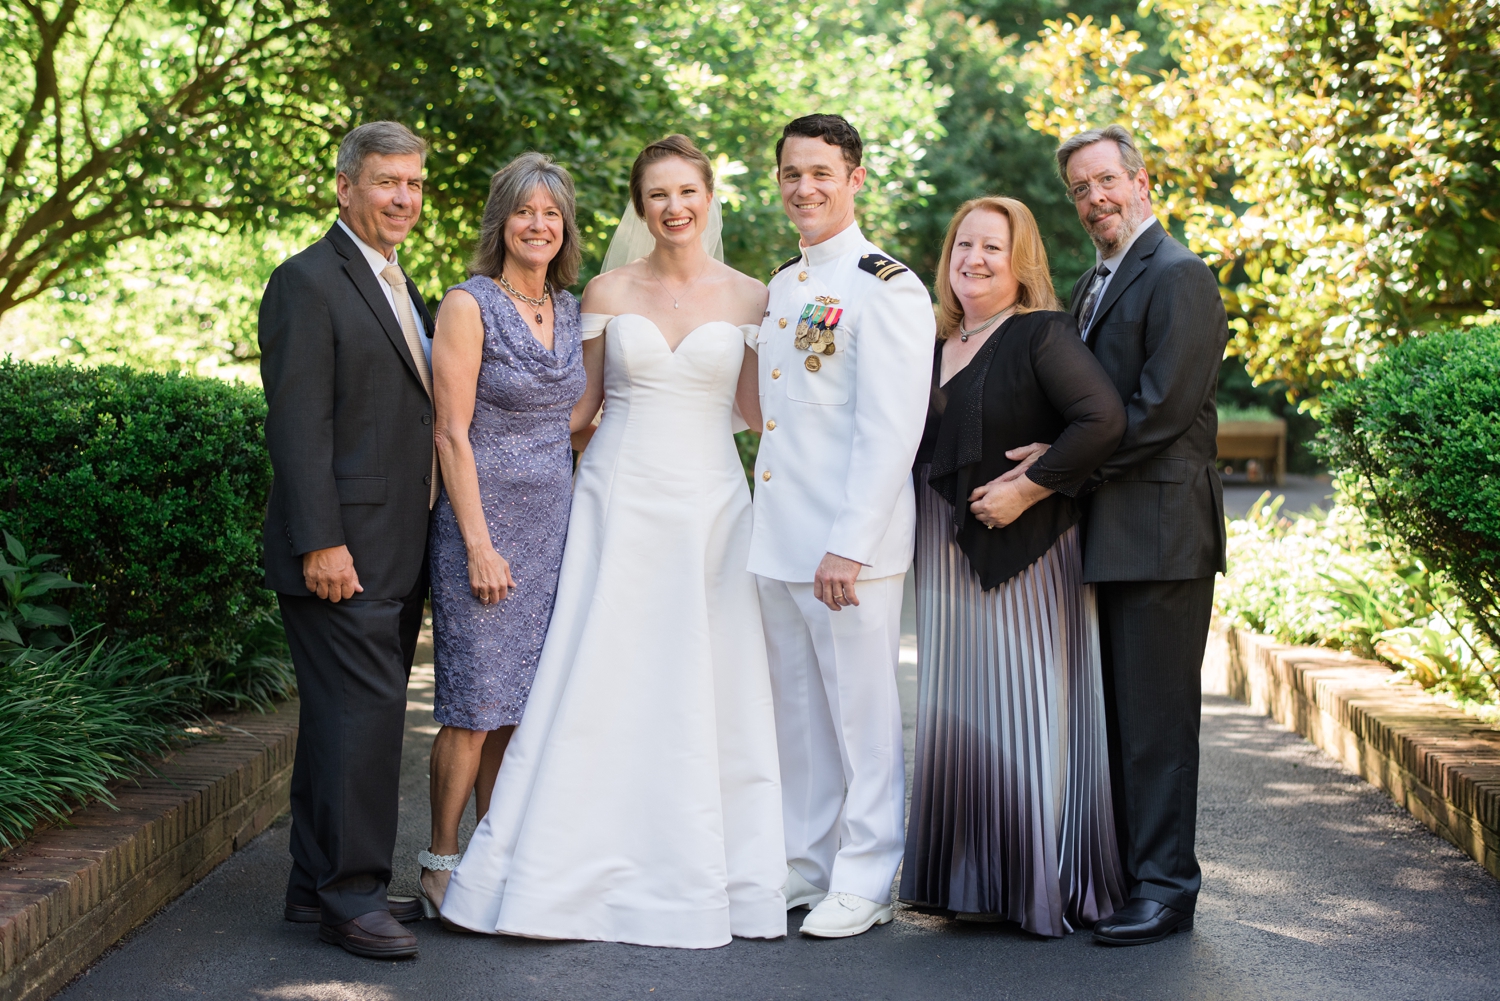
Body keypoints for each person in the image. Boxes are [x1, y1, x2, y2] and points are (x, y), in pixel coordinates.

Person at [439, 134, 786, 949]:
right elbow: (574, 406)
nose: (673, 207)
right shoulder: (602, 288)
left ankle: (697, 862)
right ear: (639, 206)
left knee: (701, 680)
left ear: (709, 197)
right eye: (656, 194)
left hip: (708, 504)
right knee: (595, 671)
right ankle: (558, 855)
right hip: (613, 500)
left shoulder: (752, 297)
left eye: (686, 192)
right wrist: (490, 468)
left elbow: (764, 415)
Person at [1011, 124, 1228, 946]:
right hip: (1111, 529)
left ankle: (1168, 889)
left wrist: (1057, 468)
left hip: (1163, 529)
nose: (1094, 198)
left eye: (1106, 181)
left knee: (1157, 719)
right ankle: (1130, 875)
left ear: (1142, 182)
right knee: (1117, 719)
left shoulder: (1180, 276)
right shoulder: (1091, 281)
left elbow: (1160, 412)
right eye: (1079, 188)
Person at [898, 196, 1127, 937]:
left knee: (1024, 709)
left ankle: (1034, 881)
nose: (975, 259)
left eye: (993, 247)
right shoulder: (931, 342)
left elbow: (1103, 420)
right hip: (942, 549)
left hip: (1025, 551)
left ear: (1021, 260)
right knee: (959, 710)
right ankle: (968, 880)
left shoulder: (1041, 334)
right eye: (964, 244)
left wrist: (1030, 487)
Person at [750, 114, 935, 939]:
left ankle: (867, 876)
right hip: (782, 536)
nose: (804, 187)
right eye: (791, 172)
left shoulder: (886, 286)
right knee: (800, 715)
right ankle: (809, 861)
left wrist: (848, 545)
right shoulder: (786, 282)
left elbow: (891, 431)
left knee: (860, 719)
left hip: (846, 547)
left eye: (821, 172)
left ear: (854, 178)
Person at [258, 121, 435, 960]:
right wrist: (320, 542)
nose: (403, 198)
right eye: (386, 182)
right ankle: (354, 893)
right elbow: (297, 428)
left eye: (413, 184)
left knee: (341, 719)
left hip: (396, 546)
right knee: (364, 722)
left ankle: (310, 882)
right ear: (344, 187)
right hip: (343, 551)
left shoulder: (405, 284)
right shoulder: (306, 282)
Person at [416, 153, 588, 916]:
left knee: (519, 703)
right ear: (503, 221)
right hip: (480, 527)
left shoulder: (574, 308)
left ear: (566, 226)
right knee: (473, 702)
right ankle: (438, 858)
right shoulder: (469, 303)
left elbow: (577, 418)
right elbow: (449, 433)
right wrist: (479, 543)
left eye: (551, 213)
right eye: (526, 211)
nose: (538, 225)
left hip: (554, 527)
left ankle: (495, 851)